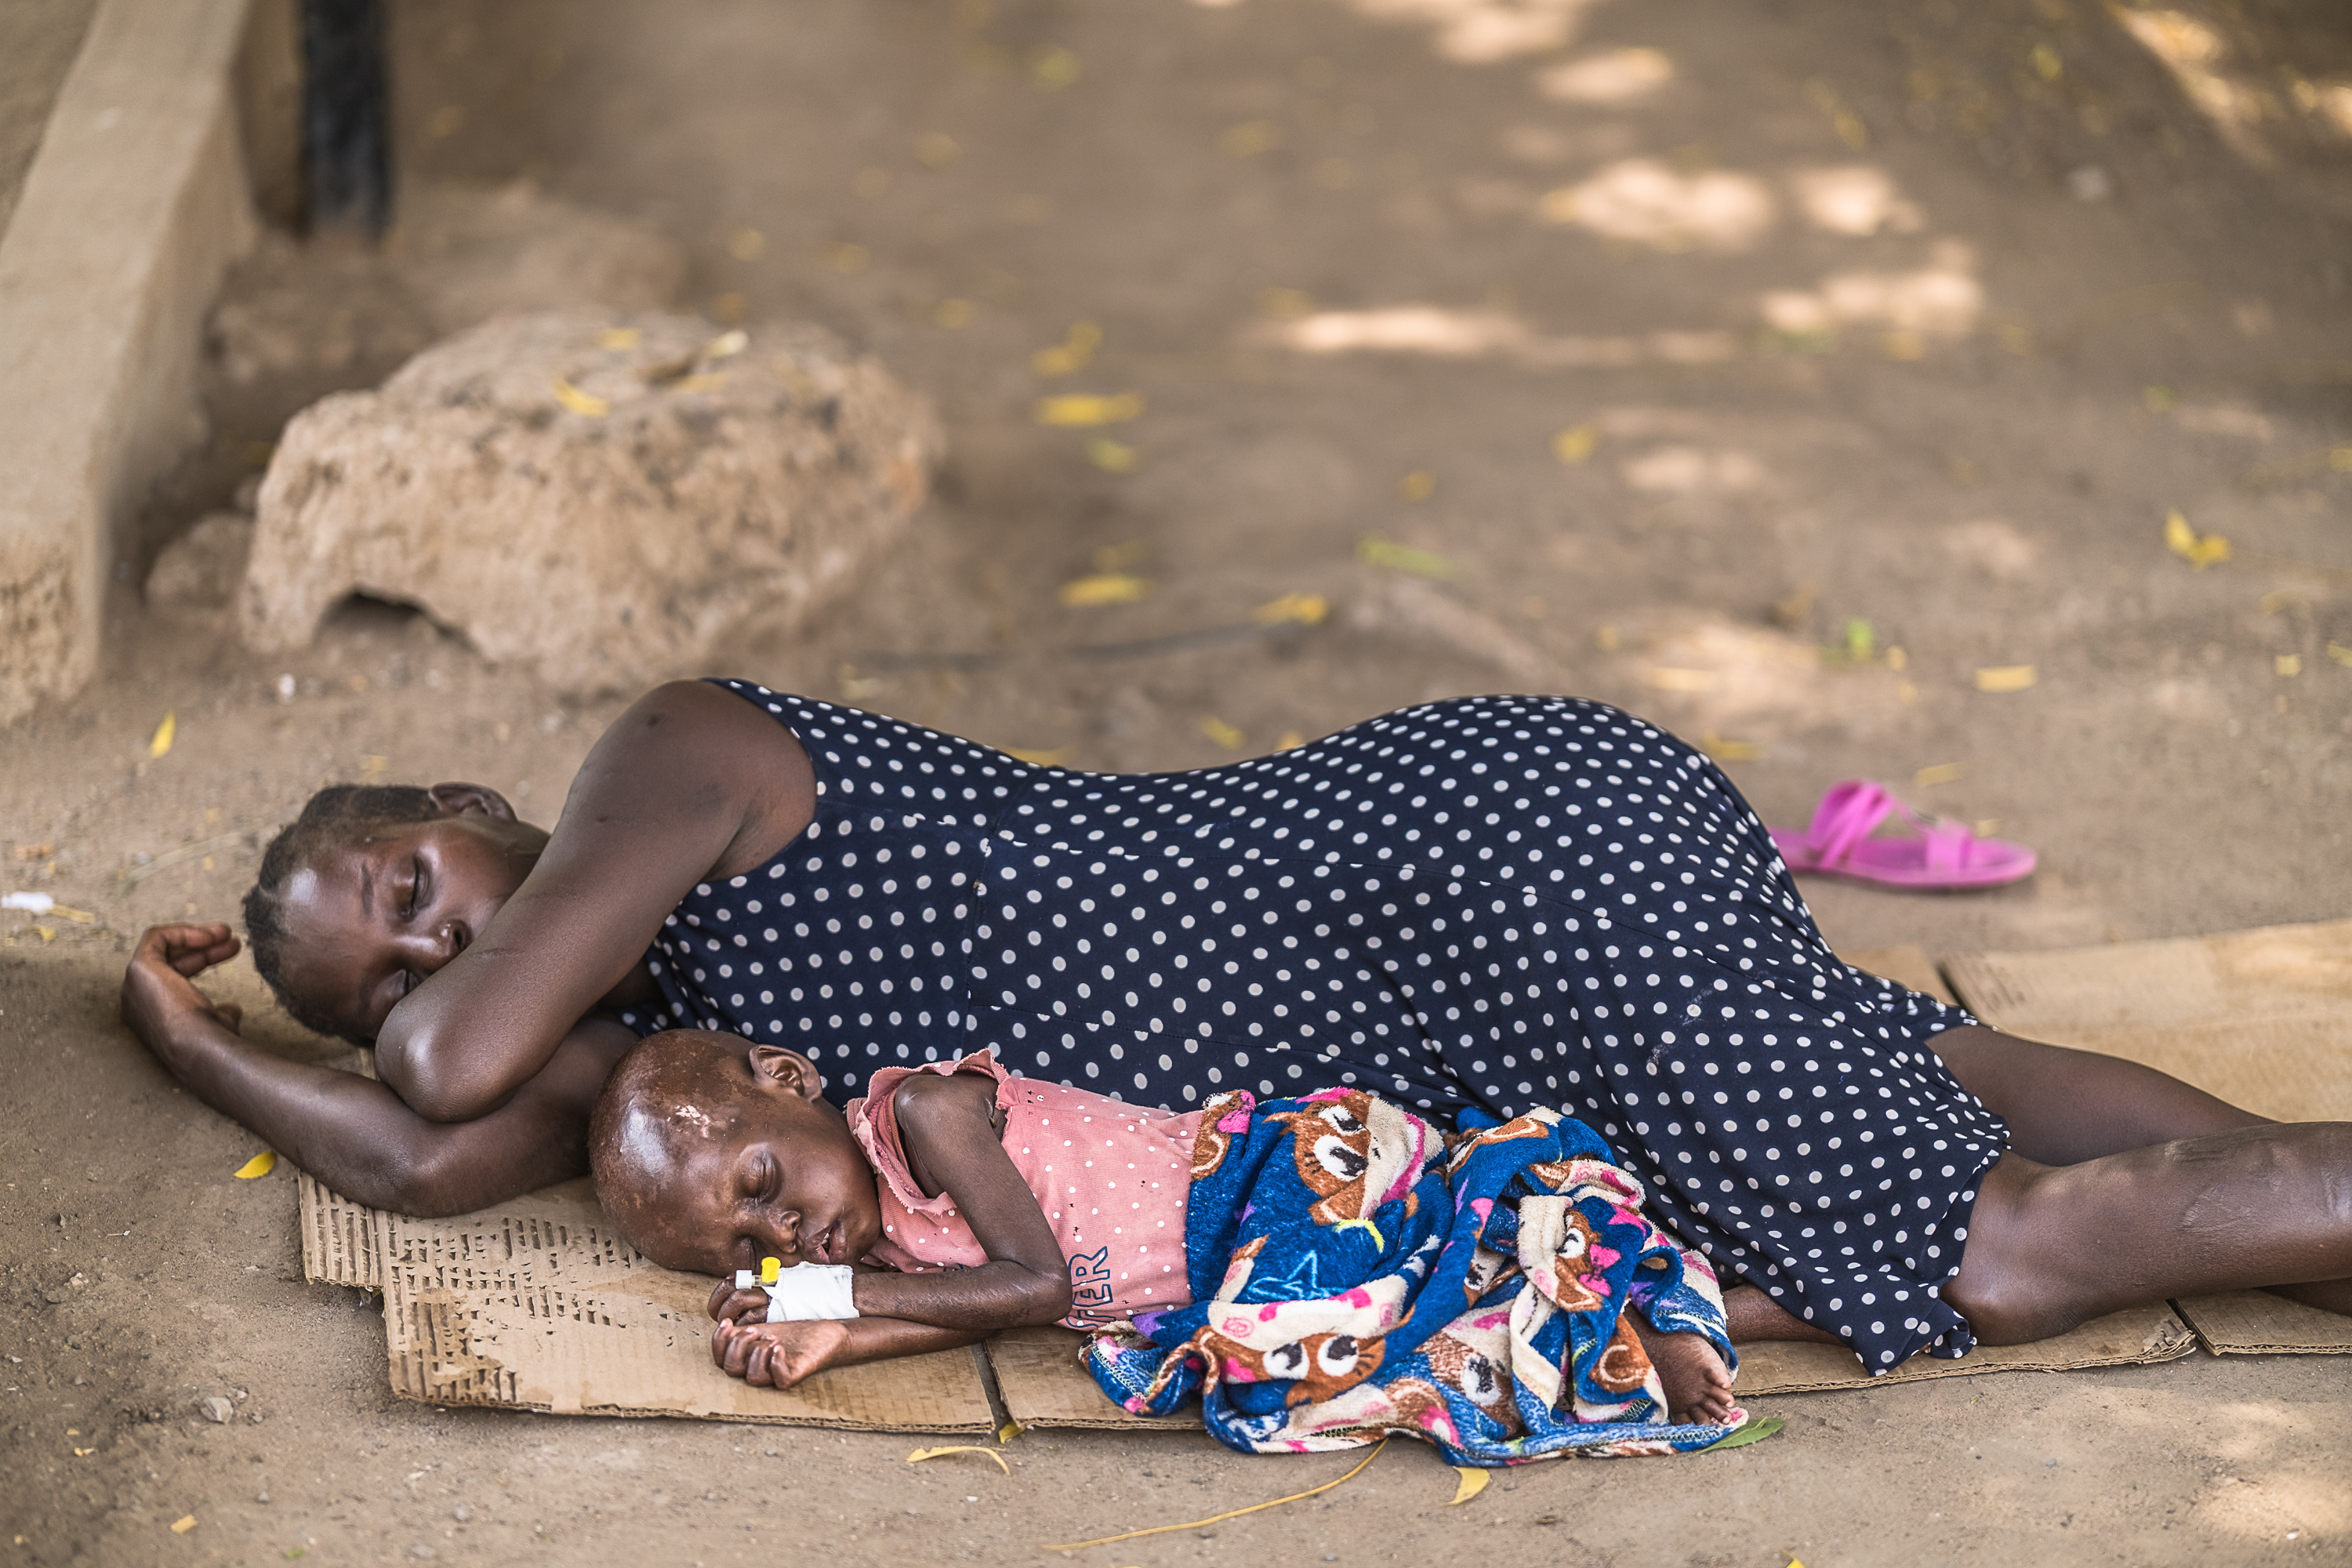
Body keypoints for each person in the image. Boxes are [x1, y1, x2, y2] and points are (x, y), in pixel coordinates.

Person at [121, 678, 2352, 1377]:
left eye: (419, 889)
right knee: (1915, 1074)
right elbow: (426, 1148)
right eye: (383, 972)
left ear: (486, 810)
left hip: (1476, 883)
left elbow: (429, 1084)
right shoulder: (682, 1056)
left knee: (1979, 1246)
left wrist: (387, 1029)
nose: (436, 975)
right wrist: (194, 1041)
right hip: (1464, 935)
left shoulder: (676, 756)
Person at [588, 1027, 1742, 1440]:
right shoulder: (873, 1252)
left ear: (791, 1080)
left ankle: (1669, 1297)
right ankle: (1669, 1320)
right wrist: (834, 1337)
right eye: (746, 1247)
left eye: (760, 1179)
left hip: (1267, 1177)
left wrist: (832, 1306)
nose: (781, 1229)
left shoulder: (926, 1119)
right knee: (1399, 1340)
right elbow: (967, 1303)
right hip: (1234, 1270)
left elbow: (1032, 1284)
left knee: (1319, 1330)